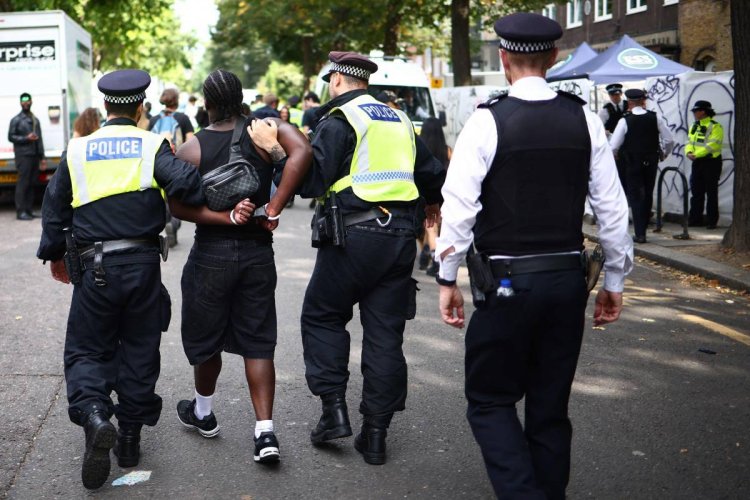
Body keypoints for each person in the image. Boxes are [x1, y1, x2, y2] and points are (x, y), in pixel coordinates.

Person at [436, 13, 633, 499]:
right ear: (555, 59)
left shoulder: (486, 121)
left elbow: (458, 209)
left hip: (506, 285)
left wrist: (447, 279)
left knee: (489, 400)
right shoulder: (584, 118)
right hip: (567, 283)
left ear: (504, 59)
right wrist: (615, 282)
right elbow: (612, 210)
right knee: (549, 407)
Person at [35, 69, 255, 490]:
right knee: (139, 347)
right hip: (141, 266)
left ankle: (97, 415)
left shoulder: (78, 148)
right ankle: (131, 438)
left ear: (105, 107)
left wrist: (54, 254)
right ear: (140, 107)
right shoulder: (152, 144)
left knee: (87, 350)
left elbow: (54, 205)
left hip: (94, 266)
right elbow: (189, 187)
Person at [250, 51, 445, 466]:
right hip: (399, 241)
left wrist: (277, 152)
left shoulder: (340, 120)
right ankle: (375, 436)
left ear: (336, 80)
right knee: (385, 335)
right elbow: (431, 172)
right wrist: (432, 202)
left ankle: (333, 411)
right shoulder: (398, 120)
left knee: (322, 315)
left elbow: (312, 181)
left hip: (353, 237)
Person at [171, 69, 311, 465]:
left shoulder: (193, 148)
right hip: (257, 254)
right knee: (258, 340)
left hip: (210, 256)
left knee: (206, 337)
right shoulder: (267, 130)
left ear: (207, 103)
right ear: (240, 98)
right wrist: (274, 206)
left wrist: (224, 218)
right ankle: (265, 432)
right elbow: (303, 152)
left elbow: (177, 206)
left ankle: (203, 412)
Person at [609, 88, 674, 243]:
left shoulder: (625, 120)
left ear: (630, 102)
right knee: (648, 194)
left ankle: (640, 234)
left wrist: (617, 156)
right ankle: (643, 229)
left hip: (632, 163)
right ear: (643, 101)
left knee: (636, 196)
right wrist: (664, 153)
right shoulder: (655, 117)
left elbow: (613, 146)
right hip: (651, 162)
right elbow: (669, 140)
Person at [417, 117, 451, 277]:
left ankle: (434, 258)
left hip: (425, 192)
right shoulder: (447, 150)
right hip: (443, 192)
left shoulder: (420, 148)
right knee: (435, 226)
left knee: (430, 227)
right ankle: (428, 255)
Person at [8, 92, 46, 220]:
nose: (25, 102)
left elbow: (40, 140)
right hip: (23, 156)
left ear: (31, 102)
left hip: (34, 155)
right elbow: (11, 136)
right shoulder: (16, 120)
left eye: (27, 100)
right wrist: (26, 138)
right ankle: (20, 211)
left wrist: (42, 157)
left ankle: (29, 210)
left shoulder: (35, 120)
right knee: (23, 183)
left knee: (31, 183)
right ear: (20, 103)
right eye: (23, 100)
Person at [686, 100, 724, 229]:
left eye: (696, 111)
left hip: (711, 162)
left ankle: (711, 221)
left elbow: (713, 145)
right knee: (696, 191)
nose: (695, 113)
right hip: (697, 162)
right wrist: (689, 152)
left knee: (711, 192)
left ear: (703, 111)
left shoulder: (715, 126)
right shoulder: (694, 125)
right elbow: (689, 141)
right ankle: (695, 219)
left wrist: (697, 154)